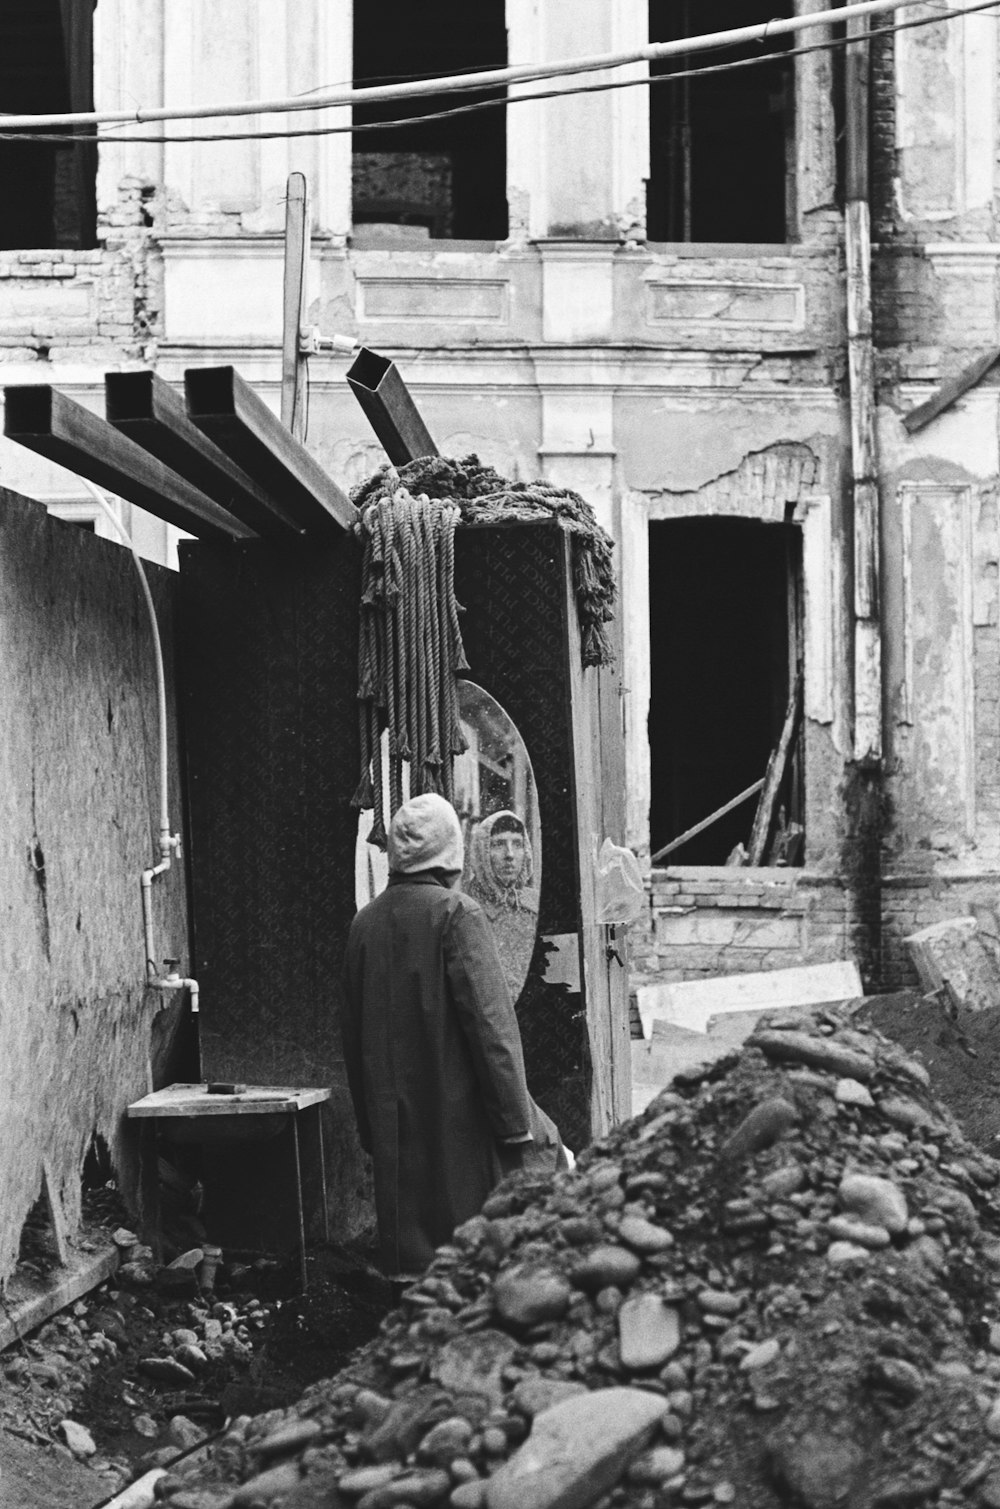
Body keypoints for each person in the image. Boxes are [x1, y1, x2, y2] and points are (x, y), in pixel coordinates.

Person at [341, 791, 564, 1278]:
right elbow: (492, 1029)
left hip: (393, 1121)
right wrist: (514, 1122)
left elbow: (351, 1038)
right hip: (457, 1115)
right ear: (453, 849)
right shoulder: (457, 915)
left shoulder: (364, 924)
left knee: (412, 1261)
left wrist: (369, 1126)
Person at [465, 809, 539, 1002]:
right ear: (482, 852)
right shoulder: (464, 910)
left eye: (517, 844)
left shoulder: (535, 905)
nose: (510, 855)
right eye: (498, 844)